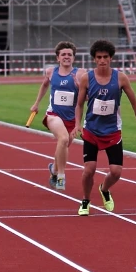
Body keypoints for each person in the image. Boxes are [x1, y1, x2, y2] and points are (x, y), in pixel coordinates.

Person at [76, 39, 136, 216]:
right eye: (99, 57)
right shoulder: (87, 78)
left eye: (106, 57)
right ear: (94, 59)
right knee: (89, 170)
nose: (102, 60)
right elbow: (79, 105)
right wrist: (77, 124)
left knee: (116, 172)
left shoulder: (121, 78)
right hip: (91, 130)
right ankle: (85, 200)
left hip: (112, 131)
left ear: (111, 58)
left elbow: (135, 104)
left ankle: (104, 189)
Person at [30, 42, 85, 191]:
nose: (66, 57)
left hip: (72, 118)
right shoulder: (50, 72)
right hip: (53, 114)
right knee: (64, 139)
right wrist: (36, 103)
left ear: (73, 58)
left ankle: (54, 169)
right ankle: (61, 177)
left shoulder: (81, 74)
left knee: (64, 145)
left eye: (69, 55)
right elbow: (44, 85)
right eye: (63, 54)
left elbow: (86, 98)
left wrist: (79, 86)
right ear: (58, 58)